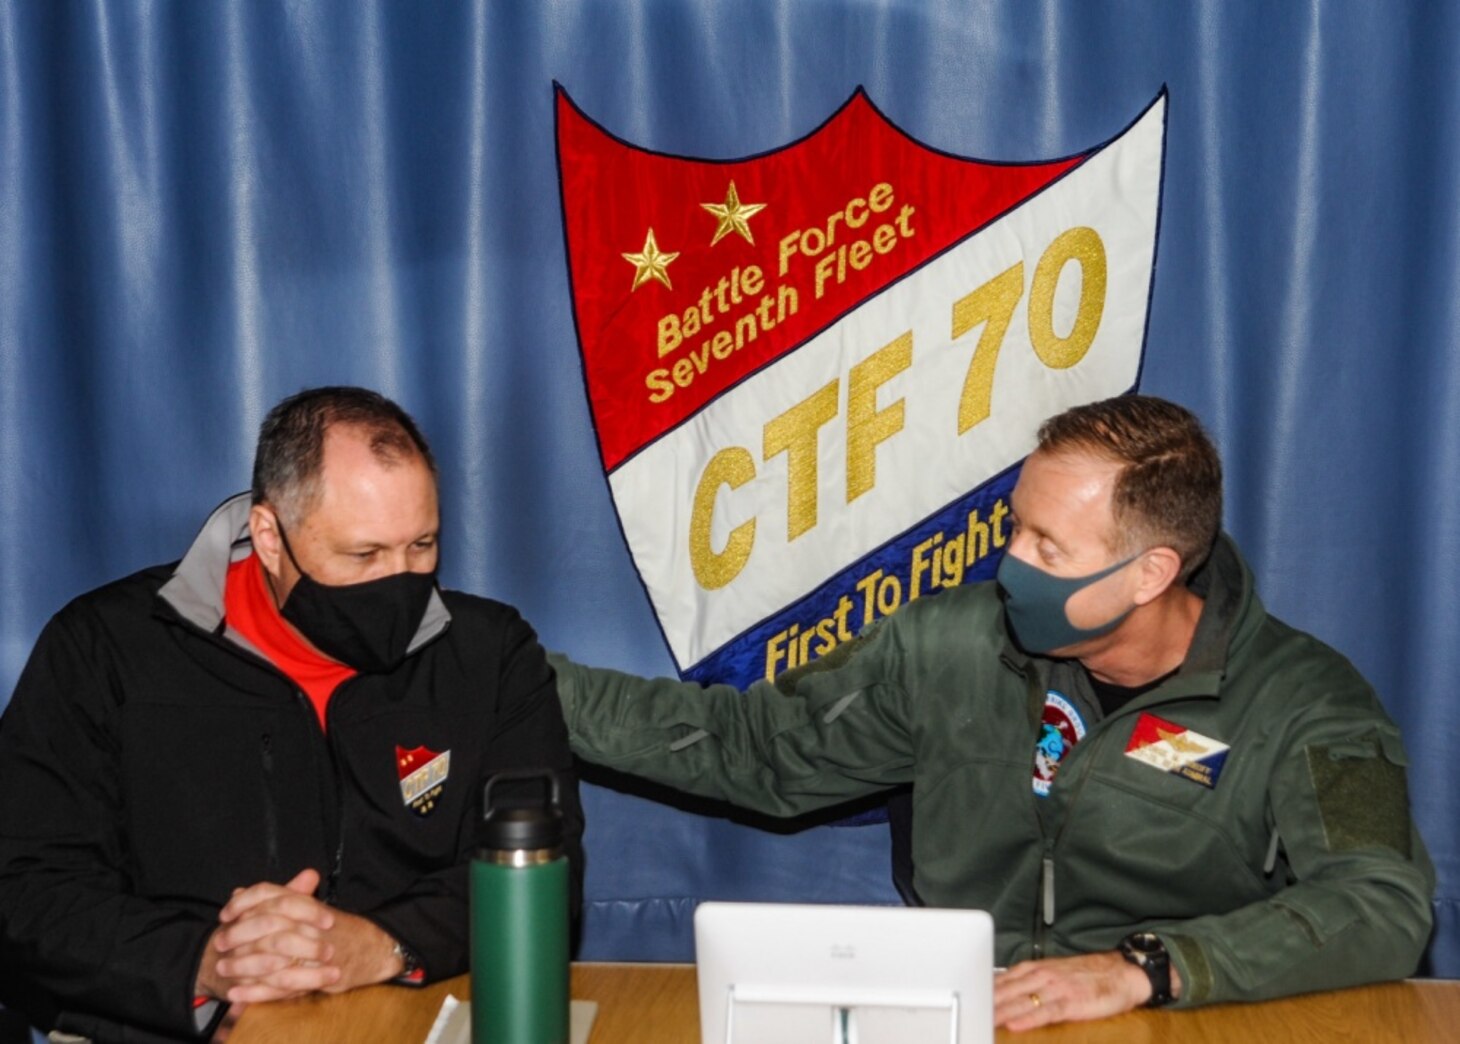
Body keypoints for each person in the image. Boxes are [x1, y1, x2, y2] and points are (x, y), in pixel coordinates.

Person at [552, 394, 1433, 1031]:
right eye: (1015, 527)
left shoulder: (1305, 701)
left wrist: (1154, 970)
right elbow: (754, 751)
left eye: (1049, 546)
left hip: (1179, 1017)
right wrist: (517, 678)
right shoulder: (948, 645)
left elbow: (1381, 904)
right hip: (970, 1016)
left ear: (1151, 573)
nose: (1011, 564)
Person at [0, 387, 583, 1043]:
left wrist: (382, 944)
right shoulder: (104, 650)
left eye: (422, 545)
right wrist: (205, 964)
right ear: (270, 536)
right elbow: (25, 891)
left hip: (411, 1016)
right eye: (363, 555)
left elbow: (547, 875)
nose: (402, 580)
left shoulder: (488, 654)